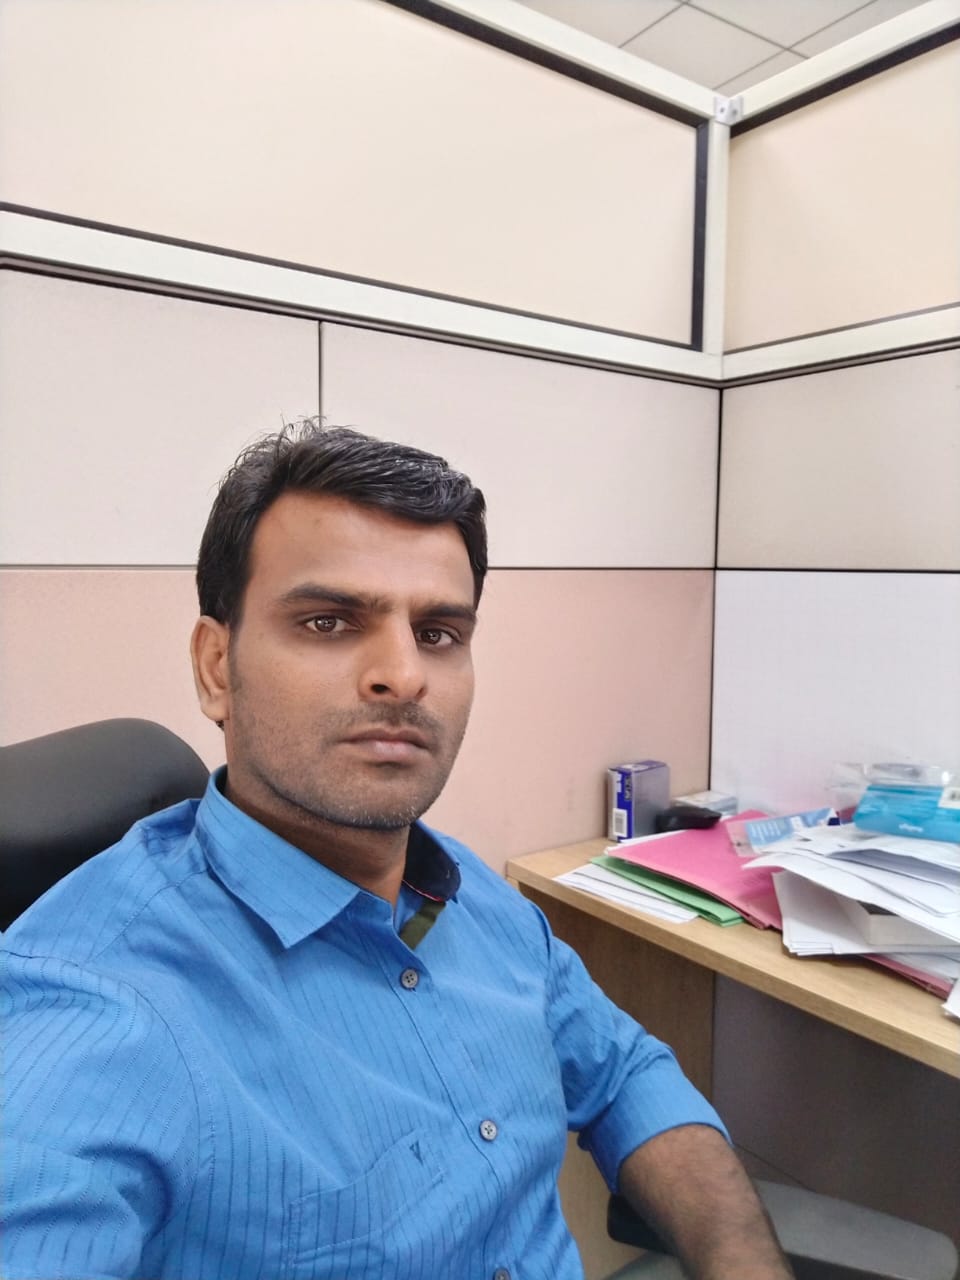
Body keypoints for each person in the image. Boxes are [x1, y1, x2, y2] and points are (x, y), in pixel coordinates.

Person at [2, 422, 792, 1280]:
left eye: (439, 633)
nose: (404, 675)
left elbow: (626, 1072)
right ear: (217, 667)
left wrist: (740, 1261)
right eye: (329, 621)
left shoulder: (469, 894)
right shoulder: (97, 1013)